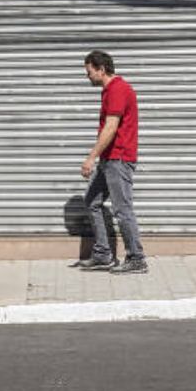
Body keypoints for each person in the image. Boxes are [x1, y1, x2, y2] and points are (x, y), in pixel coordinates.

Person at [78, 50, 147, 274]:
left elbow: (111, 128)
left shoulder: (117, 89)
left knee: (122, 209)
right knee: (92, 201)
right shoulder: (108, 91)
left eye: (89, 72)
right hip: (109, 159)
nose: (87, 77)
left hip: (118, 158)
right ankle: (103, 255)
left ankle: (136, 258)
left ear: (101, 69)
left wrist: (90, 158)